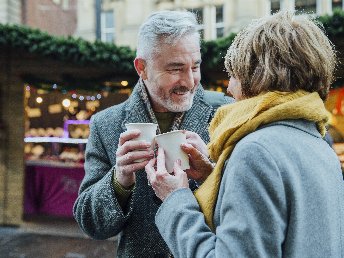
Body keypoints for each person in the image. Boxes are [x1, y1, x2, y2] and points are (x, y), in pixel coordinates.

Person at [146, 11, 344, 257]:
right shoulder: (319, 144)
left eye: (233, 74)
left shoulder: (256, 151)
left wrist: (176, 199)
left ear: (256, 76)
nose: (229, 88)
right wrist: (213, 175)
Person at [73, 10, 232, 258]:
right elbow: (91, 224)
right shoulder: (106, 124)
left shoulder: (225, 114)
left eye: (195, 66)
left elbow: (246, 210)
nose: (190, 81)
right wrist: (119, 180)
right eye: (176, 69)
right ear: (142, 68)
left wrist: (209, 174)